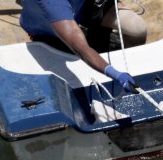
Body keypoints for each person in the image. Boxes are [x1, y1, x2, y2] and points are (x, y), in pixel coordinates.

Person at [19, 0, 148, 93]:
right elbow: (81, 49)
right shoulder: (53, 4)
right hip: (50, 33)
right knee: (77, 63)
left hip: (82, 7)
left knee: (137, 28)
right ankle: (120, 77)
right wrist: (115, 74)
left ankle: (132, 73)